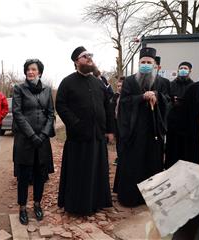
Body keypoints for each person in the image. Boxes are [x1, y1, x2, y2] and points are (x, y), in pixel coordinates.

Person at [56, 46, 113, 216]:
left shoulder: (98, 83)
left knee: (96, 171)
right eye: (84, 56)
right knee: (79, 173)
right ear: (76, 61)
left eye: (90, 55)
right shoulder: (67, 82)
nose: (89, 58)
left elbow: (107, 106)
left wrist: (110, 130)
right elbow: (60, 105)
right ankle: (77, 205)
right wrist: (75, 123)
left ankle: (96, 202)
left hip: (97, 136)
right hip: (78, 137)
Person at [113, 47, 170, 207]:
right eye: (143, 62)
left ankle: (150, 198)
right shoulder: (130, 81)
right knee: (133, 164)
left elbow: (168, 102)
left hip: (153, 132)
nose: (145, 64)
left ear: (155, 65)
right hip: (134, 132)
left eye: (148, 62)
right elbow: (123, 103)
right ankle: (130, 197)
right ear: (139, 64)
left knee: (152, 164)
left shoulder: (162, 82)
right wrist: (141, 97)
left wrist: (157, 97)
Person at [12, 58, 55, 225]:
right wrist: (32, 135)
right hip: (25, 140)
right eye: (28, 69)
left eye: (34, 69)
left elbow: (51, 114)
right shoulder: (19, 89)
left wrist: (43, 135)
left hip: (42, 141)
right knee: (23, 176)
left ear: (40, 72)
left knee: (40, 175)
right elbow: (17, 113)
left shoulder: (47, 90)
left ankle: (37, 204)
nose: (30, 72)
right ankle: (22, 207)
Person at [164, 62, 194, 169]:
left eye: (185, 68)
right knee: (171, 151)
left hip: (186, 125)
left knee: (185, 152)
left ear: (190, 71)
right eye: (181, 68)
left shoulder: (194, 86)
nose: (183, 70)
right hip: (172, 124)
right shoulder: (171, 84)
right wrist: (172, 101)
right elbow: (166, 100)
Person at [111, 77, 124, 165]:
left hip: (124, 123)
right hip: (116, 122)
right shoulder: (115, 96)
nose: (119, 88)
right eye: (118, 86)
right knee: (118, 141)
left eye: (121, 86)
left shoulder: (127, 97)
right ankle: (119, 157)